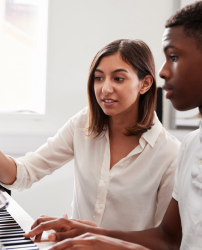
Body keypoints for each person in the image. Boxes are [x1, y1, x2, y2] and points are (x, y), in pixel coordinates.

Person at [24, 1, 202, 250]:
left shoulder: (185, 151)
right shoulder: (193, 145)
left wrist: (108, 243)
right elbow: (168, 239)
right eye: (99, 78)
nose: (163, 72)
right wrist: (90, 233)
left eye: (173, 57)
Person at [0, 39, 180, 233]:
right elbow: (23, 174)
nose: (105, 88)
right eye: (98, 78)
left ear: (144, 84)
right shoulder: (83, 123)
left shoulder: (170, 154)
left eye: (118, 78)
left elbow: (165, 239)